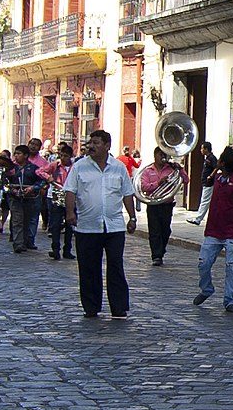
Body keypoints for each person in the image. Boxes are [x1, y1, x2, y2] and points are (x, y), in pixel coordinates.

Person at [63, 128, 137, 318]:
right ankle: (91, 306)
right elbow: (70, 190)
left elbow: (127, 193)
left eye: (96, 143)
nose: (92, 146)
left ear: (107, 146)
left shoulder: (118, 167)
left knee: (115, 265)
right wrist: (70, 212)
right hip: (87, 226)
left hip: (114, 226)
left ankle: (119, 307)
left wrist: (132, 217)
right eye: (91, 142)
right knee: (89, 267)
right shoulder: (80, 167)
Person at [192, 147, 233, 313]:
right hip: (213, 230)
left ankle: (230, 299)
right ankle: (207, 288)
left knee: (231, 266)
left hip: (232, 231)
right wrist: (217, 169)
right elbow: (207, 181)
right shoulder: (218, 178)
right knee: (203, 262)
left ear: (223, 163)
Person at [139, 147, 180, 266]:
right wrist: (158, 183)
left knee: (166, 230)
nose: (163, 157)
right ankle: (156, 255)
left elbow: (185, 180)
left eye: (165, 154)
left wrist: (180, 169)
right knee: (154, 230)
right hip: (153, 204)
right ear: (155, 155)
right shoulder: (147, 171)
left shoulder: (171, 169)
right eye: (160, 154)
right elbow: (144, 187)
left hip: (167, 204)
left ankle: (161, 250)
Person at [3, 143, 45, 253]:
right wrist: (13, 190)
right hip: (15, 197)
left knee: (26, 220)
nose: (16, 156)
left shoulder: (33, 168)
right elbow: (5, 182)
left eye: (19, 154)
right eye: (15, 153)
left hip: (29, 198)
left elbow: (41, 181)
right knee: (17, 220)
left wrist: (32, 188)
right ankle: (18, 243)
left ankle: (26, 241)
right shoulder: (11, 168)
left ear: (25, 155)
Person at [44, 141, 75, 261]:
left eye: (65, 156)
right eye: (61, 155)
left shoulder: (74, 167)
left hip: (70, 197)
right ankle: (55, 249)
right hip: (56, 196)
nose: (63, 158)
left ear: (70, 156)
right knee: (55, 224)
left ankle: (67, 250)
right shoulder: (55, 165)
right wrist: (49, 178)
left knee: (69, 225)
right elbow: (41, 171)